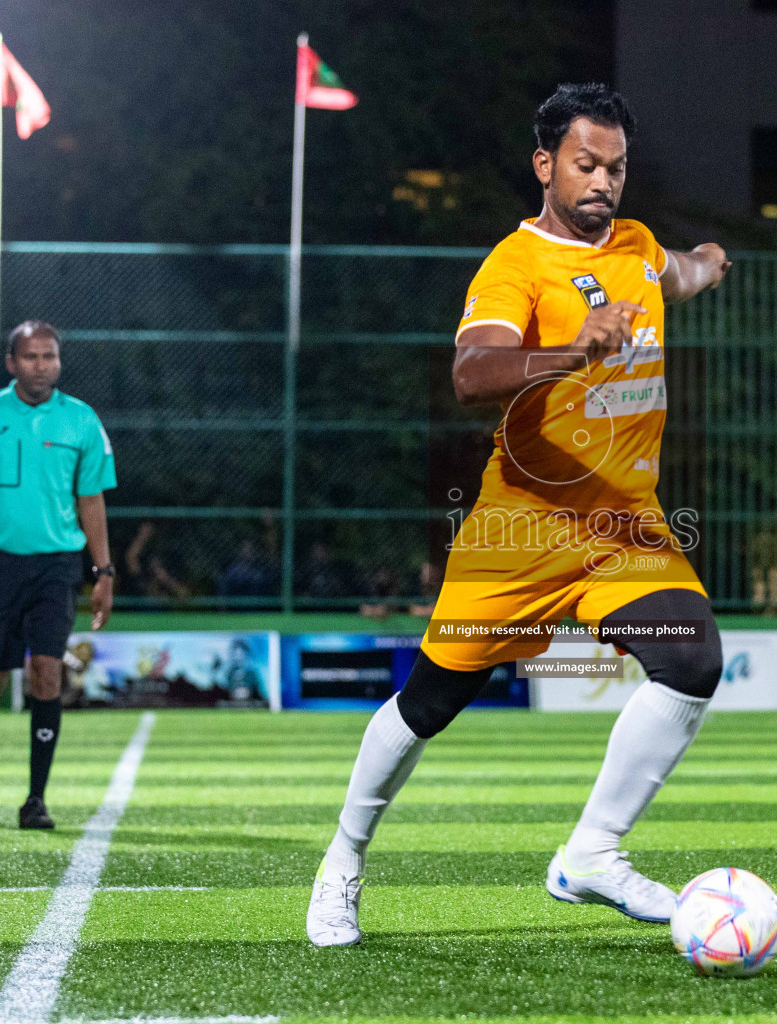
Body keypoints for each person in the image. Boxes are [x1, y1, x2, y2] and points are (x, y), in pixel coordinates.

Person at [305, 83, 731, 946]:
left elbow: (675, 274)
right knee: (428, 701)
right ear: (545, 165)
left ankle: (591, 857)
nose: (604, 180)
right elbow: (471, 374)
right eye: (586, 164)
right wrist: (574, 346)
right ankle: (342, 861)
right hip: (522, 528)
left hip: (622, 527)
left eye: (616, 166)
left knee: (692, 660)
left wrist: (712, 259)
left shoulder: (639, 246)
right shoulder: (515, 265)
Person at [0, 320, 117, 829]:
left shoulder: (81, 420)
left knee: (47, 673)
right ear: (11, 363)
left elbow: (92, 499)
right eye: (30, 357)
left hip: (57, 566)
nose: (41, 366)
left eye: (49, 356)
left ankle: (36, 800)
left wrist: (104, 571)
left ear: (59, 361)